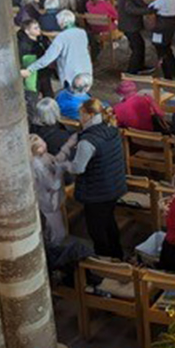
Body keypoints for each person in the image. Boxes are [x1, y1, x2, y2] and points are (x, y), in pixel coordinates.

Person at [62, 99, 127, 259]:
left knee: (96, 228)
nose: (79, 117)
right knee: (109, 221)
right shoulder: (110, 128)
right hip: (113, 183)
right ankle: (117, 254)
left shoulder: (88, 141)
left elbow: (78, 168)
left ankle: (104, 259)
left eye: (81, 114)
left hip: (97, 191)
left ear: (90, 115)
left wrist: (64, 164)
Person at [22, 10, 93, 89]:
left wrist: (31, 69)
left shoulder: (61, 37)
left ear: (61, 23)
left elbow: (48, 58)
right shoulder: (82, 33)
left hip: (71, 75)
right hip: (86, 70)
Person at [30, 134, 70, 245]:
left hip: (53, 197)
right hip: (48, 199)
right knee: (59, 232)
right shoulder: (37, 165)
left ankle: (49, 241)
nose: (44, 145)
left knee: (50, 226)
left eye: (43, 142)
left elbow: (54, 160)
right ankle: (55, 250)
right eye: (40, 146)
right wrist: (59, 170)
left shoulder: (43, 156)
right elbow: (53, 184)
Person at [116, 0, 152, 75]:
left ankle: (139, 67)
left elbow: (138, 2)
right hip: (129, 24)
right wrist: (148, 11)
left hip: (130, 23)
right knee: (137, 47)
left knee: (139, 45)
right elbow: (130, 9)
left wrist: (140, 1)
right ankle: (131, 72)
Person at [149, 0, 175, 79]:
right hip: (171, 25)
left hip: (161, 26)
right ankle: (174, 71)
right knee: (167, 48)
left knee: (161, 50)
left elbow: (151, 7)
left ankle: (167, 75)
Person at [18, 19, 54, 98]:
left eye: (38, 27)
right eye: (35, 28)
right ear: (27, 31)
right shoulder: (23, 45)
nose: (39, 29)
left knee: (49, 94)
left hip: (44, 72)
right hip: (32, 74)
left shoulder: (43, 39)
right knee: (33, 95)